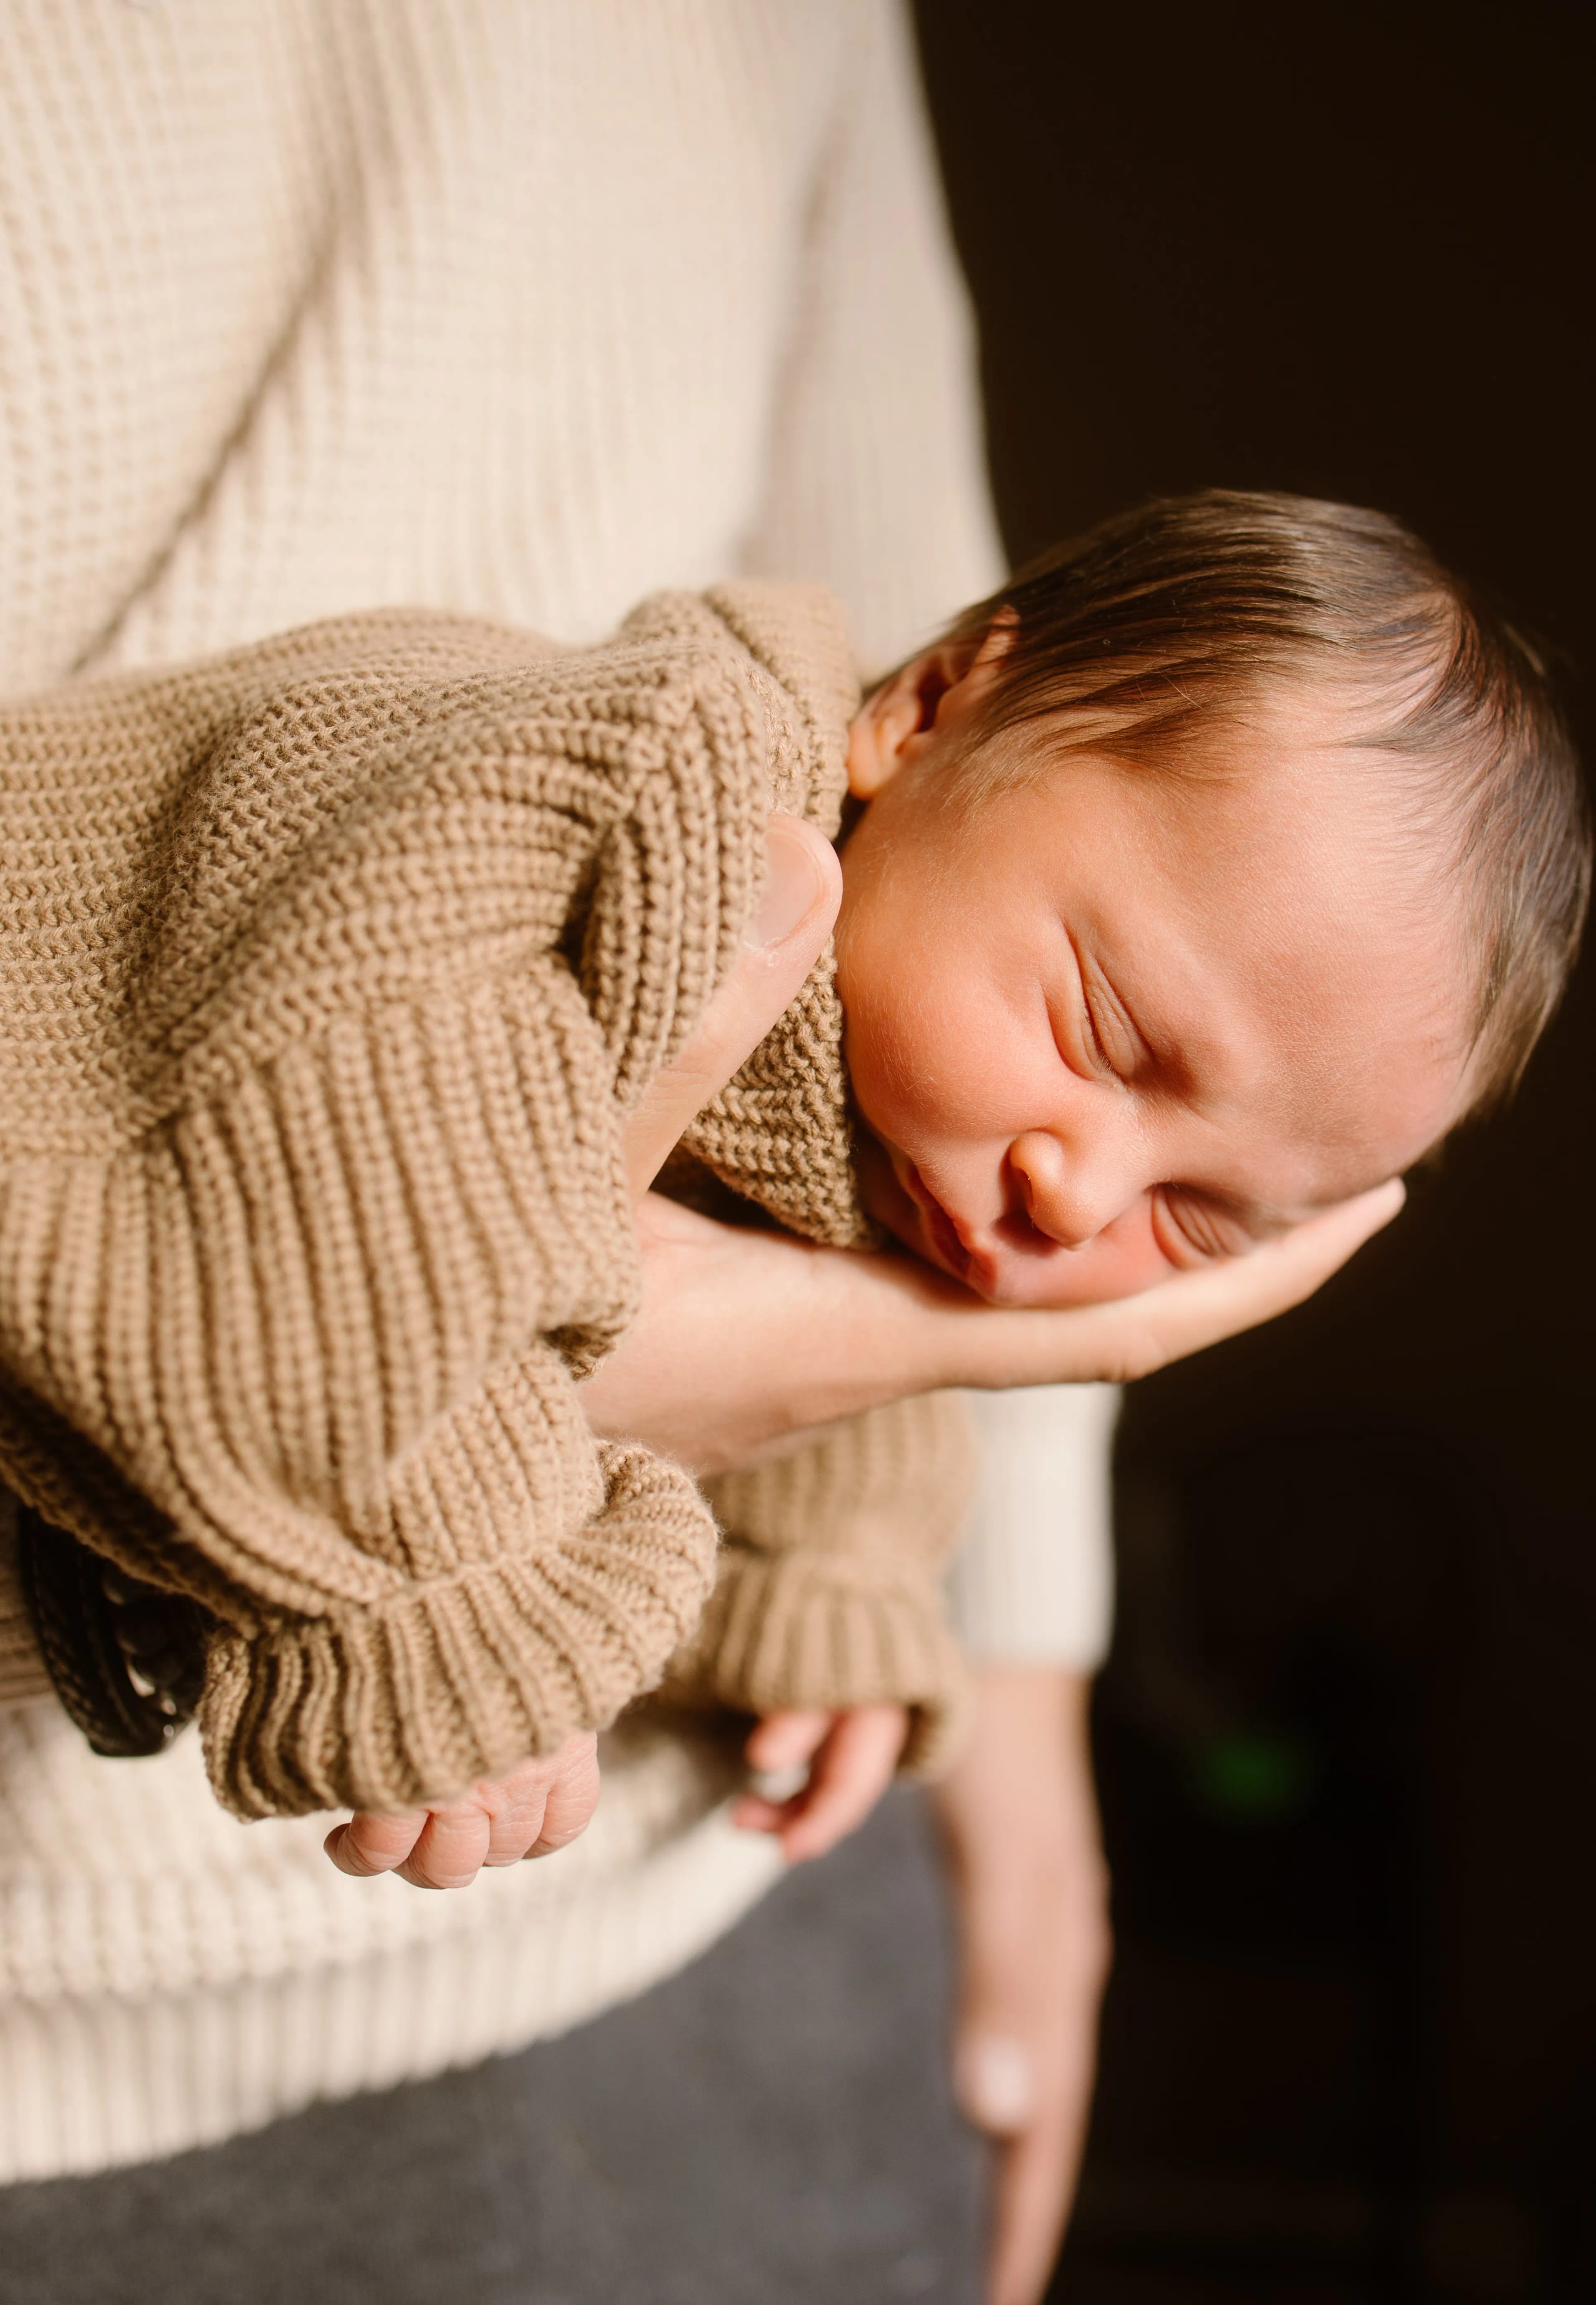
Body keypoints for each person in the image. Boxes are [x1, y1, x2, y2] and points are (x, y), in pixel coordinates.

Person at [0, 10, 1484, 2303]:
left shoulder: (904, 1029)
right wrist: (453, 1603)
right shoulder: (657, 803)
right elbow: (308, 1254)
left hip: (689, 1930)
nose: (1078, 1193)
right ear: (928, 705)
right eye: (1108, 1035)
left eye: (1209, 1207)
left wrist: (858, 1595)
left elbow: (845, 1293)